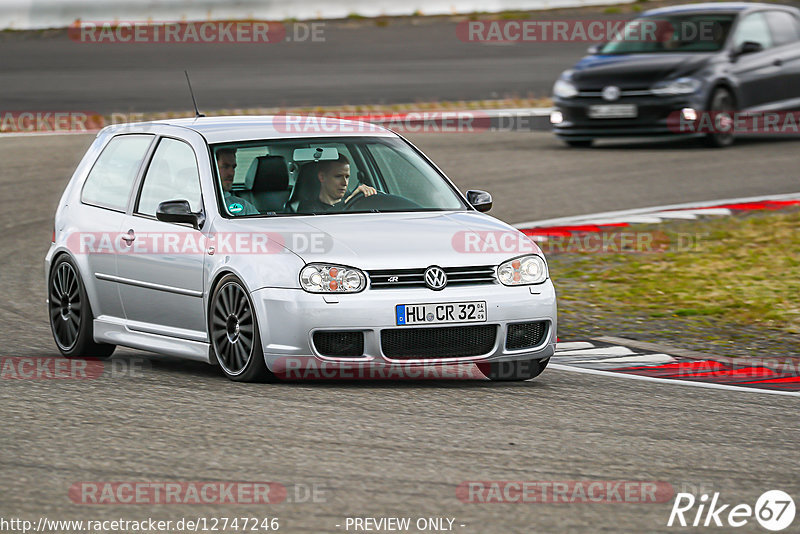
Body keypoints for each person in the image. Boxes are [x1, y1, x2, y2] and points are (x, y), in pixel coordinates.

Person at [297, 154, 376, 213]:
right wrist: (348, 202)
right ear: (322, 177)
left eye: (347, 177)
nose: (344, 183)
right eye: (338, 176)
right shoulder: (307, 209)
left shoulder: (356, 202)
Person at [216, 148, 259, 216]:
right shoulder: (196, 203)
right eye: (225, 166)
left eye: (233, 167)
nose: (231, 173)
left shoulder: (244, 207)